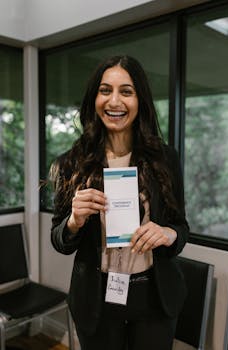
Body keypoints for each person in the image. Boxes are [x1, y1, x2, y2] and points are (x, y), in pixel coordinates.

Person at [50, 55, 189, 350]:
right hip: (96, 301)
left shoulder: (166, 158)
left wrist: (168, 233)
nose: (115, 101)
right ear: (94, 99)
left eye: (126, 91)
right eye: (105, 90)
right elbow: (59, 240)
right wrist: (73, 221)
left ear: (140, 100)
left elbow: (181, 226)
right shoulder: (72, 163)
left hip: (155, 297)